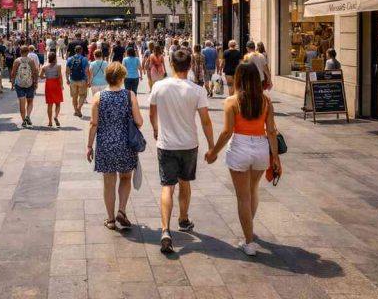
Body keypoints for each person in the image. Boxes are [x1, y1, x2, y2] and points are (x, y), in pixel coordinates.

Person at [209, 63, 280, 256]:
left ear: (239, 78)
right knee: (253, 189)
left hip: (240, 147)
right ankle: (250, 228)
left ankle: (249, 242)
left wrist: (213, 151)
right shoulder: (266, 101)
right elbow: (272, 131)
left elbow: (226, 132)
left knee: (242, 197)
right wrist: (275, 158)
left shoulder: (232, 102)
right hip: (261, 148)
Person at [149, 50, 216, 254]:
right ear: (189, 66)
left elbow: (152, 112)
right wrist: (212, 146)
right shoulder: (197, 90)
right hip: (189, 144)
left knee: (167, 186)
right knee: (184, 182)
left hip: (166, 144)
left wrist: (155, 129)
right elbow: (205, 120)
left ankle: (165, 230)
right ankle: (183, 219)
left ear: (170, 63)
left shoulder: (159, 86)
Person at [86, 62, 144, 231]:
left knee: (108, 182)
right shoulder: (129, 95)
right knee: (125, 178)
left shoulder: (99, 97)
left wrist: (89, 146)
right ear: (122, 78)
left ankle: (110, 219)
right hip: (126, 144)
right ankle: (122, 210)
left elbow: (93, 124)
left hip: (105, 145)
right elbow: (139, 122)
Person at [11, 44, 37, 128]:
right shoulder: (31, 61)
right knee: (30, 101)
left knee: (22, 102)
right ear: (28, 52)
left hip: (19, 84)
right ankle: (28, 116)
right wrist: (35, 82)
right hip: (30, 84)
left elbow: (13, 73)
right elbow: (34, 73)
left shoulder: (17, 61)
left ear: (20, 52)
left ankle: (23, 121)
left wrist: (12, 84)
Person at [66, 45, 91, 117]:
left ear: (74, 50)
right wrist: (89, 80)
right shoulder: (84, 59)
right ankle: (79, 108)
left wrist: (67, 79)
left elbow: (67, 71)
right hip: (82, 79)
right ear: (81, 50)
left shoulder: (70, 59)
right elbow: (87, 71)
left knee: (74, 96)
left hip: (73, 80)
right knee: (82, 95)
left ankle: (76, 110)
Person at [40, 52, 64, 127]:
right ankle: (56, 116)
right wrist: (61, 85)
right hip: (56, 83)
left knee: (49, 104)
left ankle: (50, 121)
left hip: (49, 84)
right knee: (58, 103)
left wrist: (46, 77)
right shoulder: (58, 66)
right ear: (55, 58)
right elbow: (60, 76)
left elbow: (40, 76)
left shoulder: (44, 67)